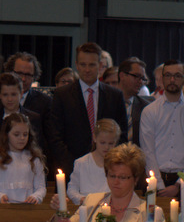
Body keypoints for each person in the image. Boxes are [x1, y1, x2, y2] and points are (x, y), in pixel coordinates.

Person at [47, 41, 128, 176]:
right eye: (83, 64)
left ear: (100, 65)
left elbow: (122, 135)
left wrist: (111, 163)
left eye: (92, 65)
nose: (87, 70)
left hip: (108, 169)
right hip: (71, 168)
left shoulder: (115, 95)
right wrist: (73, 166)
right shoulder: (62, 95)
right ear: (77, 65)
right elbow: (55, 136)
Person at [140, 59, 184, 198]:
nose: (172, 80)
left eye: (177, 76)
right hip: (154, 180)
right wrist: (159, 186)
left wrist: (179, 185)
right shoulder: (149, 111)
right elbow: (147, 151)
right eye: (168, 75)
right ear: (162, 78)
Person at [64, 119, 119, 206]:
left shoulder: (119, 164)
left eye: (111, 143)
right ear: (95, 138)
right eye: (102, 143)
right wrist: (81, 199)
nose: (106, 147)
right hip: (87, 208)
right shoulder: (81, 163)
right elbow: (72, 189)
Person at [0, 72, 43, 151]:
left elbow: (37, 147)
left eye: (13, 94)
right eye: (5, 95)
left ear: (21, 93)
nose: (9, 99)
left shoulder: (33, 118)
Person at [117, 57, 151, 146]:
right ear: (122, 76)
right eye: (136, 76)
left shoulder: (145, 107)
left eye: (142, 78)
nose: (140, 82)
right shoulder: (108, 102)